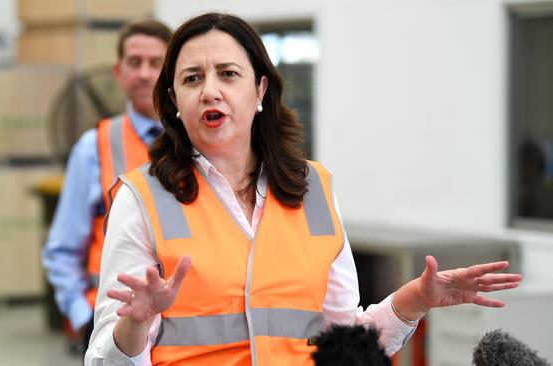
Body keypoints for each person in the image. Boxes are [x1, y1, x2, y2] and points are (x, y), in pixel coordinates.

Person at [85, 12, 522, 366]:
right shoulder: (143, 197)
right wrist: (135, 325)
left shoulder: (312, 188)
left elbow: (343, 345)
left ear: (259, 91)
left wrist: (412, 301)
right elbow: (105, 360)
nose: (210, 90)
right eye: (192, 79)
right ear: (176, 102)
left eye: (228, 74)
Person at [42, 19, 172, 353]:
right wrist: (82, 318)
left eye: (156, 63)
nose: (144, 73)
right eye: (134, 62)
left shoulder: (201, 144)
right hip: (112, 329)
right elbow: (62, 250)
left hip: (185, 331)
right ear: (118, 71)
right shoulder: (92, 148)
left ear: (173, 70)